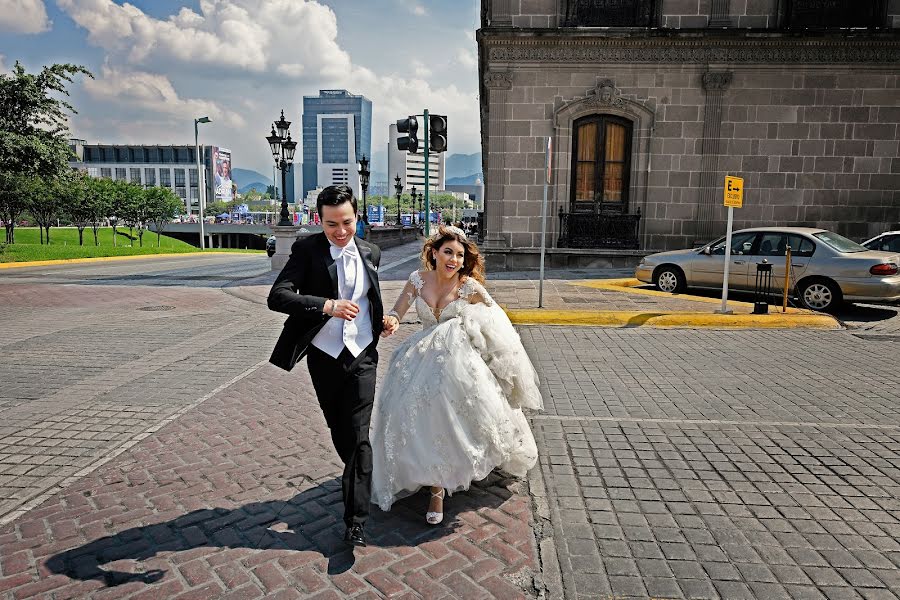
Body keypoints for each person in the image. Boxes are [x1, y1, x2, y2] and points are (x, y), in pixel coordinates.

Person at [372, 225, 542, 525]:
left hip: (457, 361)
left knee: (447, 416)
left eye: (460, 255)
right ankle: (417, 470)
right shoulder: (417, 280)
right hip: (419, 357)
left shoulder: (469, 288)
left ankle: (438, 489)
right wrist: (391, 321)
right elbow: (398, 311)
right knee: (410, 414)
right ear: (434, 252)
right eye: (448, 252)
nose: (453, 259)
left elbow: (496, 323)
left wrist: (477, 331)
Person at [267, 185, 385, 547]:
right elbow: (278, 296)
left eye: (347, 222)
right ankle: (355, 477)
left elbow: (370, 300)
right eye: (332, 223)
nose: (340, 230)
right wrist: (326, 306)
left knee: (360, 436)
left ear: (356, 217)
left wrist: (385, 321)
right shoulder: (307, 250)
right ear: (320, 219)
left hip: (363, 353)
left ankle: (356, 521)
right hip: (324, 355)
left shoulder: (371, 251)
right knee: (340, 429)